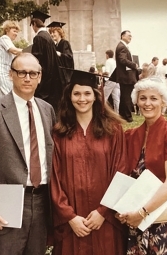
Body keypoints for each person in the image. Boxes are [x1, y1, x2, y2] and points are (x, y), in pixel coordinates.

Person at [0, 53, 56, 255]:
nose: (27, 78)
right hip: (8, 202)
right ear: (11, 74)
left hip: (42, 201)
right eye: (21, 72)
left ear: (39, 77)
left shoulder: (47, 109)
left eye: (32, 73)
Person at [51, 69, 128, 255]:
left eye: (87, 93)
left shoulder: (113, 130)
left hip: (105, 221)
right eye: (76, 93)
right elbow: (55, 177)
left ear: (96, 96)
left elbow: (121, 171)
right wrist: (70, 217)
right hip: (72, 224)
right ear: (69, 96)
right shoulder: (59, 133)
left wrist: (103, 212)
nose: (82, 99)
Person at [117, 77, 167, 254]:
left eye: (153, 98)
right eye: (143, 98)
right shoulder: (130, 136)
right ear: (136, 101)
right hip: (135, 218)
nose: (147, 103)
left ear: (163, 101)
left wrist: (142, 212)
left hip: (161, 218)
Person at [30, 10, 65, 112]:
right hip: (51, 79)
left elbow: (36, 60)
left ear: (34, 24)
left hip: (43, 80)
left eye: (32, 25)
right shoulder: (48, 38)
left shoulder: (39, 38)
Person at [109, 30, 138, 122]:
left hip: (125, 76)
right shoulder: (122, 47)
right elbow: (122, 60)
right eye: (129, 35)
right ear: (122, 36)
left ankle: (123, 116)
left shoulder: (122, 46)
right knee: (127, 97)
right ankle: (127, 117)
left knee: (125, 97)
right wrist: (134, 65)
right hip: (126, 76)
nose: (130, 37)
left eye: (131, 36)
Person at [0, 20, 22, 97]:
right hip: (1, 70)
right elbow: (14, 51)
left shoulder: (8, 41)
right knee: (9, 95)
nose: (16, 34)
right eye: (14, 31)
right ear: (7, 30)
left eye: (17, 32)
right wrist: (25, 51)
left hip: (3, 70)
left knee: (2, 96)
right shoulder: (4, 38)